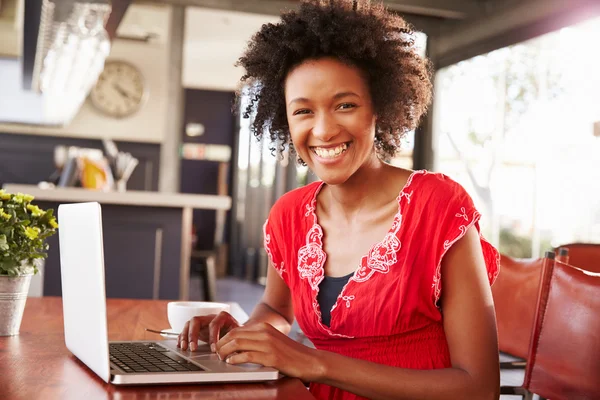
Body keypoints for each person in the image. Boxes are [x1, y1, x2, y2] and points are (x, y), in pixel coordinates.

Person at [178, 1, 501, 399]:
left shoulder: (438, 206)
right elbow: (278, 311)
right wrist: (246, 334)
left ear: (378, 108)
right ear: (285, 120)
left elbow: (480, 388)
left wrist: (314, 363)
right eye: (303, 111)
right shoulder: (289, 214)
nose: (324, 129)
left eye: (345, 105)